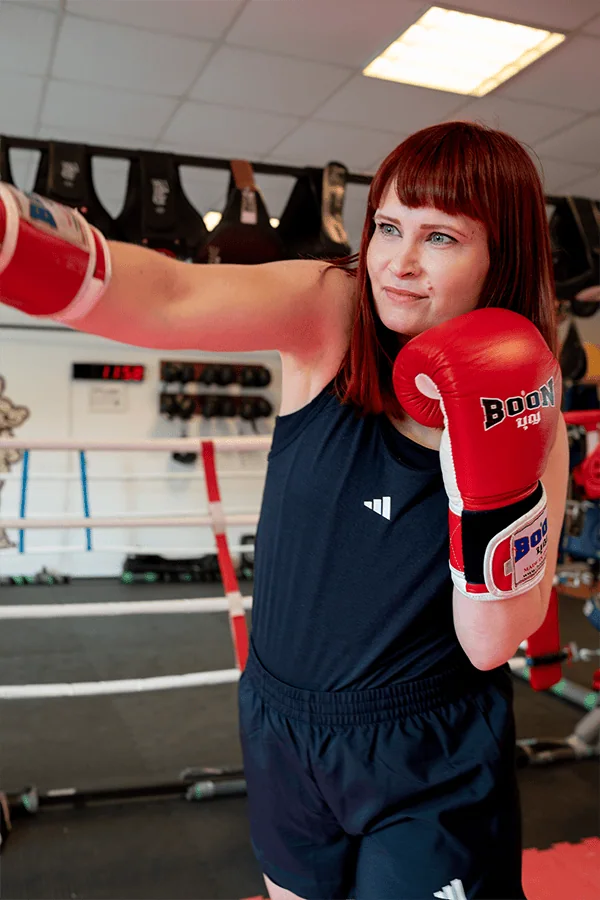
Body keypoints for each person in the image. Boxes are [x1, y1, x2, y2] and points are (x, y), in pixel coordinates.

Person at [0, 121, 569, 899]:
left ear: (500, 256)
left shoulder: (539, 420)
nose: (398, 263)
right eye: (390, 227)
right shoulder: (330, 312)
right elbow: (170, 296)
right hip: (282, 725)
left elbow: (488, 643)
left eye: (441, 237)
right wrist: (13, 239)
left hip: (430, 748)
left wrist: (490, 467)